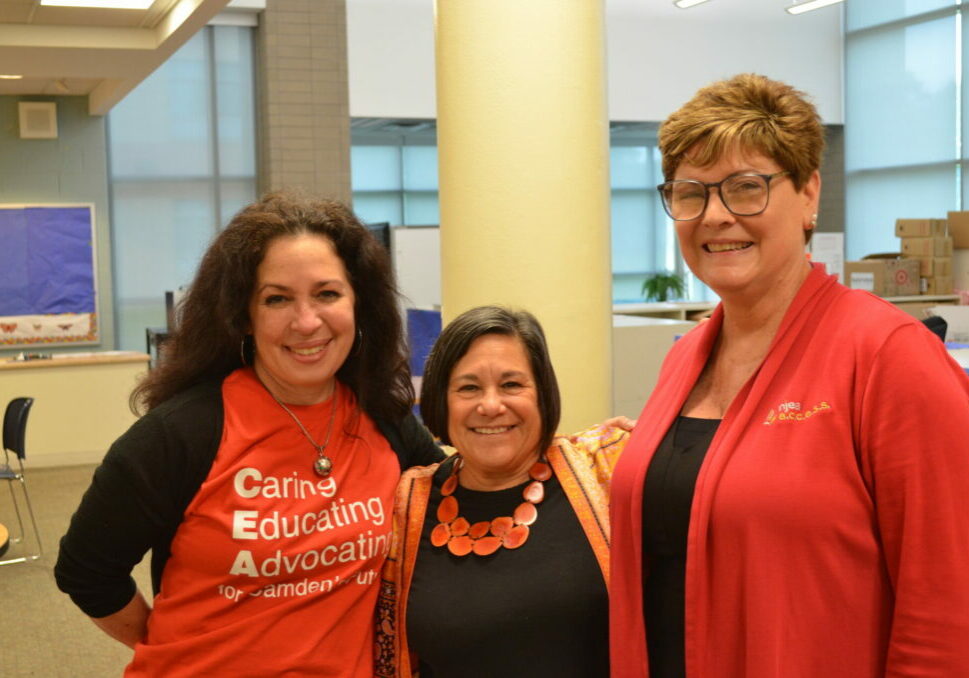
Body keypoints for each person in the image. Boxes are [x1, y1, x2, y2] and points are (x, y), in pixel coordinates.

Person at [609, 73, 969, 678]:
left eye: (746, 188)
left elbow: (949, 608)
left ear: (808, 195)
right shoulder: (687, 355)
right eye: (691, 192)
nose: (715, 216)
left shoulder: (888, 356)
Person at [54, 192, 443, 676]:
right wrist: (174, 646)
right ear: (244, 315)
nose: (306, 322)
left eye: (327, 293)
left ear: (358, 303)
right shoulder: (181, 435)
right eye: (277, 298)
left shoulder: (385, 418)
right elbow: (86, 571)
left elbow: (457, 499)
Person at [375, 305, 628, 677]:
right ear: (440, 400)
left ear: (542, 394)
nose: (490, 406)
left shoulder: (606, 468)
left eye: (511, 385)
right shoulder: (406, 501)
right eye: (468, 387)